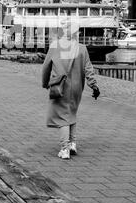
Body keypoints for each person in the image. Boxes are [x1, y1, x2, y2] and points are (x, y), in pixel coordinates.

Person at [42, 20, 100, 160]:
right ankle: (73, 143)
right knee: (71, 113)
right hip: (77, 88)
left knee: (62, 117)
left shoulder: (55, 46)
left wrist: (45, 83)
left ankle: (64, 149)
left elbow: (46, 67)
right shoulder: (82, 48)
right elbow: (88, 69)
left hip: (60, 87)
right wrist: (94, 85)